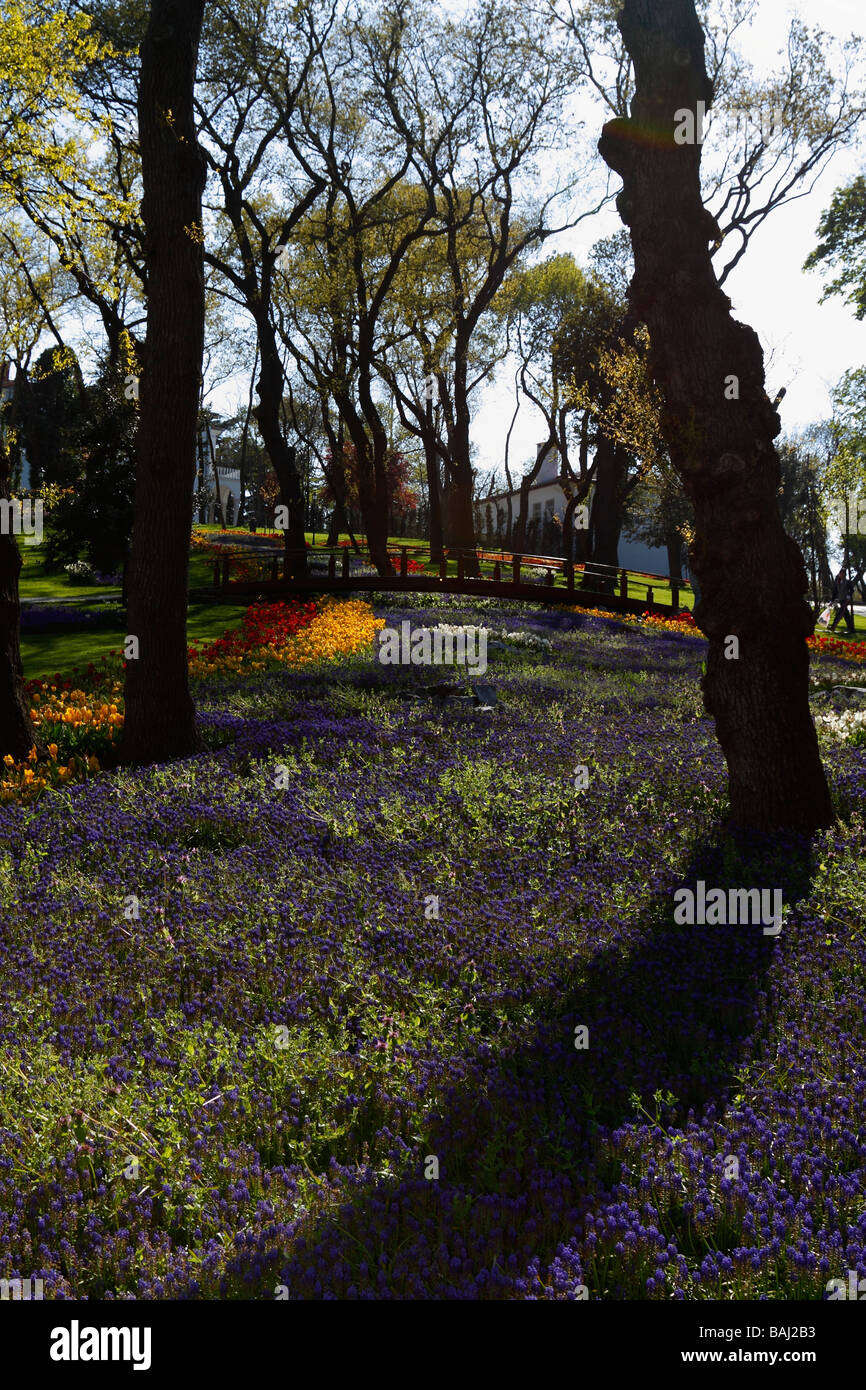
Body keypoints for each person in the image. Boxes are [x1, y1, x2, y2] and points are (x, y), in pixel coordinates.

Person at [830, 567, 856, 634]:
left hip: (845, 600)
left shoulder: (847, 582)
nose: (841, 575)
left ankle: (833, 626)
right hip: (840, 600)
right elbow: (835, 592)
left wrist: (848, 595)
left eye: (843, 574)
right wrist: (831, 601)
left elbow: (852, 590)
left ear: (845, 575)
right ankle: (852, 629)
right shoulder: (837, 582)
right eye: (840, 574)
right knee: (846, 615)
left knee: (840, 613)